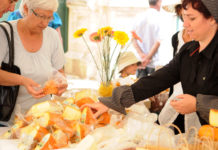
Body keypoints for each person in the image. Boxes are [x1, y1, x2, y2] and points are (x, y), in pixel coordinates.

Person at [85, 0, 218, 132]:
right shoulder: (188, 52)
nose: (185, 24)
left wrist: (198, 104)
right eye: (184, 17)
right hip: (205, 137)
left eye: (192, 18)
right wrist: (112, 101)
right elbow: (156, 81)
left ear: (212, 18)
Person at [0, 0, 67, 126]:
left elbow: (60, 72)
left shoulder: (52, 36)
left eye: (49, 17)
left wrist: (61, 83)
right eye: (41, 16)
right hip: (7, 121)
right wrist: (23, 80)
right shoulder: (4, 33)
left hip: (42, 120)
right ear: (26, 9)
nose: (45, 23)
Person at [159, 3, 199, 134]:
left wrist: (199, 103)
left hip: (196, 98)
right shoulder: (176, 37)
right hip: (176, 93)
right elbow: (174, 70)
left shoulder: (203, 37)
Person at [132, 0, 162, 78]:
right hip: (153, 63)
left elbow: (133, 39)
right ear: (159, 2)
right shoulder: (159, 17)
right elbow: (158, 41)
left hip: (140, 62)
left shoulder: (138, 16)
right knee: (154, 88)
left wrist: (141, 55)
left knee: (139, 87)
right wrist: (148, 58)